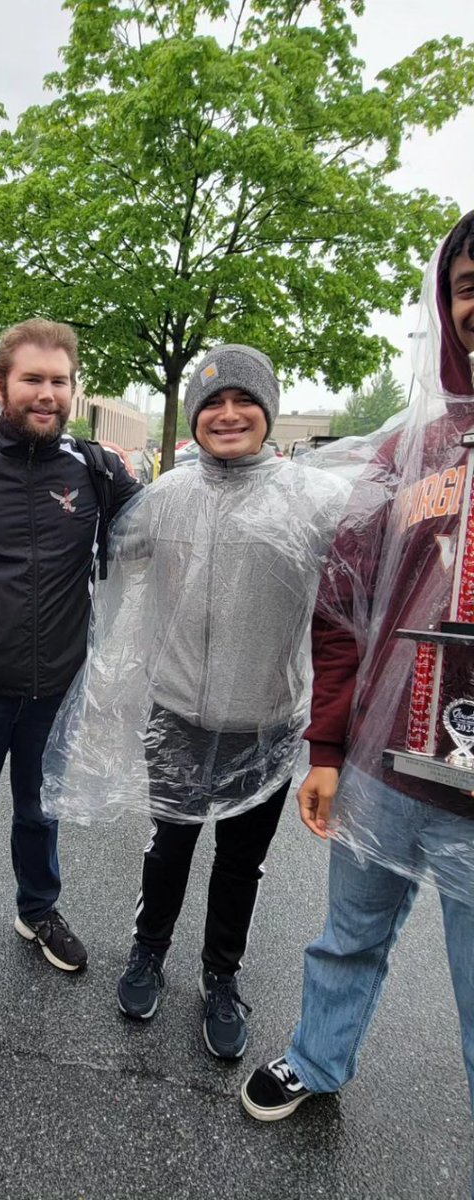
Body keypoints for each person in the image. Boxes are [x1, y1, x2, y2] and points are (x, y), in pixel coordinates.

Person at [46, 344, 348, 1058]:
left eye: (245, 400)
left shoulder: (314, 502)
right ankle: (148, 954)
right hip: (176, 714)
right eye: (212, 402)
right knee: (168, 848)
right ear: (195, 416)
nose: (229, 413)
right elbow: (101, 562)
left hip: (265, 722)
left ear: (268, 412)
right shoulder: (166, 498)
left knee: (242, 864)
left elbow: (345, 621)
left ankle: (221, 975)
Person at [242, 212, 474, 1134]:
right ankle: (316, 1058)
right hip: (386, 766)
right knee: (348, 936)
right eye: (469, 286)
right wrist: (328, 746)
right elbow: (339, 611)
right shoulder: (407, 449)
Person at [0, 319, 141, 975]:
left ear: (74, 389)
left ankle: (38, 910)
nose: (47, 392)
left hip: (58, 688)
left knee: (41, 813)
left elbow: (161, 531)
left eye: (59, 381)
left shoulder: (96, 470)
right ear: (0, 385)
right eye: (32, 379)